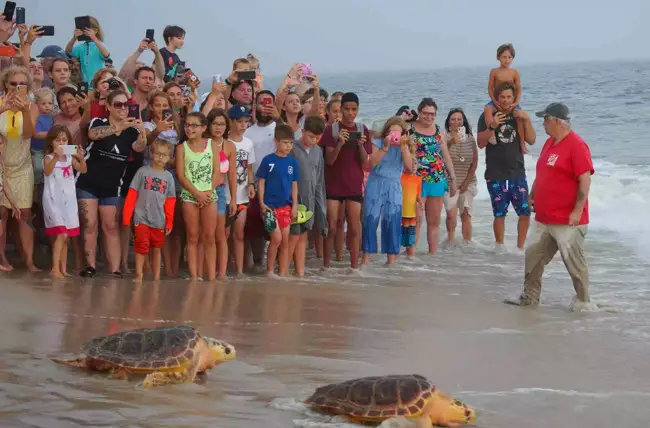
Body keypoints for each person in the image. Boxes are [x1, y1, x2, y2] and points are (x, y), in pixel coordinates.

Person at [506, 103, 594, 309]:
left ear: (557, 121)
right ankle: (530, 297)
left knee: (574, 264)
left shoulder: (577, 145)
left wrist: (577, 210)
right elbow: (543, 173)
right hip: (544, 217)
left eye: (545, 120)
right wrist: (532, 194)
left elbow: (585, 180)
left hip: (567, 219)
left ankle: (583, 303)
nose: (543, 124)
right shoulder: (549, 143)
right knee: (533, 258)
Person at [76, 89, 147, 278]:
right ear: (108, 106)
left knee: (110, 226)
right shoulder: (99, 122)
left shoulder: (131, 131)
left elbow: (139, 148)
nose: (123, 108)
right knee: (89, 224)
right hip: (88, 181)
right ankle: (90, 266)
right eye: (118, 104)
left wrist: (142, 133)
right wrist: (118, 127)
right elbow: (93, 134)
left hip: (113, 185)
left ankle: (114, 269)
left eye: (126, 105)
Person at [477, 83, 536, 250]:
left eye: (509, 97)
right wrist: (492, 126)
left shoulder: (518, 114)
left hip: (517, 172)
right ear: (496, 98)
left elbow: (531, 140)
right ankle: (500, 247)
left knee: (525, 212)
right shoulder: (487, 116)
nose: (506, 100)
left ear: (514, 98)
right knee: (499, 213)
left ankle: (520, 247)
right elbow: (480, 143)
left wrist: (527, 119)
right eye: (502, 97)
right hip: (496, 173)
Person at [322, 92, 372, 270]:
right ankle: (326, 266)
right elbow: (329, 160)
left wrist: (359, 144)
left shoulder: (362, 129)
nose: (351, 113)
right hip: (334, 184)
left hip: (353, 184)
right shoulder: (332, 130)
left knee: (354, 227)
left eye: (354, 109)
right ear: (340, 109)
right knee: (332, 227)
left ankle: (354, 268)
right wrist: (340, 143)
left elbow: (365, 161)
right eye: (347, 109)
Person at [0, 66, 39, 272]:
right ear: (5, 84)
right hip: (1, 165)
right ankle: (2, 258)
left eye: (21, 84)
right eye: (13, 83)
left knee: (24, 213)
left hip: (22, 165)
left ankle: (29, 261)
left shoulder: (32, 107)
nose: (17, 87)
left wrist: (23, 109)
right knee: (2, 214)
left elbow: (28, 134)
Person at [361, 116, 414, 266]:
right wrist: (385, 146)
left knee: (392, 221)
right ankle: (366, 258)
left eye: (398, 133)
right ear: (386, 132)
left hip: (394, 185)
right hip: (376, 182)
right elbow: (371, 164)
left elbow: (409, 169)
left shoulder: (405, 146)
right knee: (370, 219)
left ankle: (391, 260)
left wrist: (403, 147)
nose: (394, 136)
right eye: (392, 132)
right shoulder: (377, 143)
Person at [123, 139, 177, 281]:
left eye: (164, 155)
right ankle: (139, 275)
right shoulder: (142, 172)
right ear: (151, 154)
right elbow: (132, 193)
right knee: (141, 246)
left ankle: (156, 277)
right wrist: (127, 214)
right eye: (158, 154)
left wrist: (169, 221)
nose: (160, 157)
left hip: (159, 220)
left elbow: (170, 201)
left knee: (157, 248)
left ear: (169, 157)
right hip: (141, 217)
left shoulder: (169, 177)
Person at [176, 112, 220, 281]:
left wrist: (207, 193)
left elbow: (217, 172)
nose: (189, 128)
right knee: (192, 236)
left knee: (209, 236)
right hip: (190, 196)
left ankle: (211, 276)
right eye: (187, 125)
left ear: (203, 128)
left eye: (194, 125)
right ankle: (194, 275)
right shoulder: (181, 148)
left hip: (210, 195)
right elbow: (181, 175)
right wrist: (197, 194)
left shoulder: (212, 145)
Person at [412, 98, 457, 255]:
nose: (429, 117)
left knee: (434, 221)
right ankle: (410, 256)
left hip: (437, 179)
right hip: (416, 179)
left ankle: (432, 257)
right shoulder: (409, 129)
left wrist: (453, 179)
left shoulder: (439, 131)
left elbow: (445, 155)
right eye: (426, 113)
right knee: (415, 220)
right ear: (419, 113)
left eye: (433, 114)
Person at [42, 125, 86, 278]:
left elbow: (83, 170)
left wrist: (80, 158)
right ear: (51, 142)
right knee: (61, 234)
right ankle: (55, 269)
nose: (61, 143)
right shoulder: (48, 158)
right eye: (58, 140)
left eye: (64, 140)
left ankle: (63, 268)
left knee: (65, 236)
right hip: (53, 199)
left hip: (68, 200)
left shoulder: (70, 158)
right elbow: (47, 171)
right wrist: (55, 156)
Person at [256, 123, 299, 277]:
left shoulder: (292, 163)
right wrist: (261, 203)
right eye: (285, 142)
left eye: (291, 143)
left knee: (285, 241)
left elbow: (294, 185)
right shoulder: (268, 160)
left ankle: (283, 271)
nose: (289, 146)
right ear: (276, 142)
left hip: (285, 207)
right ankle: (269, 271)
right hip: (269, 208)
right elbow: (261, 183)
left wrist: (295, 205)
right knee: (276, 238)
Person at [289, 116, 327, 276]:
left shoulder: (318, 151)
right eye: (311, 136)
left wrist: (321, 209)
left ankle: (300, 272)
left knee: (303, 236)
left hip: (310, 201)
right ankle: (282, 270)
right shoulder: (292, 149)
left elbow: (319, 181)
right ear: (303, 132)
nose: (314, 140)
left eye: (318, 137)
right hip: (293, 201)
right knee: (292, 237)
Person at [226, 104, 256, 276]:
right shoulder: (224, 142)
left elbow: (249, 168)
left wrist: (251, 185)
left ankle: (238, 271)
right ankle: (223, 267)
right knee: (224, 235)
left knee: (239, 234)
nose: (243, 125)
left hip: (242, 195)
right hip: (226, 195)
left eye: (246, 122)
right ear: (231, 122)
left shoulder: (248, 143)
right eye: (240, 121)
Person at [483, 43, 527, 154]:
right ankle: (491, 134)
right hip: (497, 100)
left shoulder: (514, 73)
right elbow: (490, 89)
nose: (507, 60)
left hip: (511, 102)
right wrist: (494, 101)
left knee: (520, 116)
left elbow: (518, 90)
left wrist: (516, 102)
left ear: (512, 59)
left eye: (509, 57)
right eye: (504, 57)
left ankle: (522, 142)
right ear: (498, 57)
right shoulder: (494, 72)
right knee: (487, 109)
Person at [442, 108, 478, 243]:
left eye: (459, 119)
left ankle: (467, 244)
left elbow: (475, 161)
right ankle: (450, 241)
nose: (456, 122)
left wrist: (466, 182)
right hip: (449, 182)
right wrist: (452, 142)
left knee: (466, 214)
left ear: (463, 122)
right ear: (448, 122)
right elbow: (441, 158)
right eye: (453, 119)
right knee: (451, 215)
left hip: (468, 182)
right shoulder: (444, 137)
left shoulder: (470, 138)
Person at [65, 16, 110, 87]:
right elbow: (68, 51)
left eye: (88, 29)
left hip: (98, 84)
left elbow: (106, 55)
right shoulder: (81, 47)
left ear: (96, 30)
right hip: (85, 85)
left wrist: (94, 38)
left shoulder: (99, 45)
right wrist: (74, 38)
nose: (85, 31)